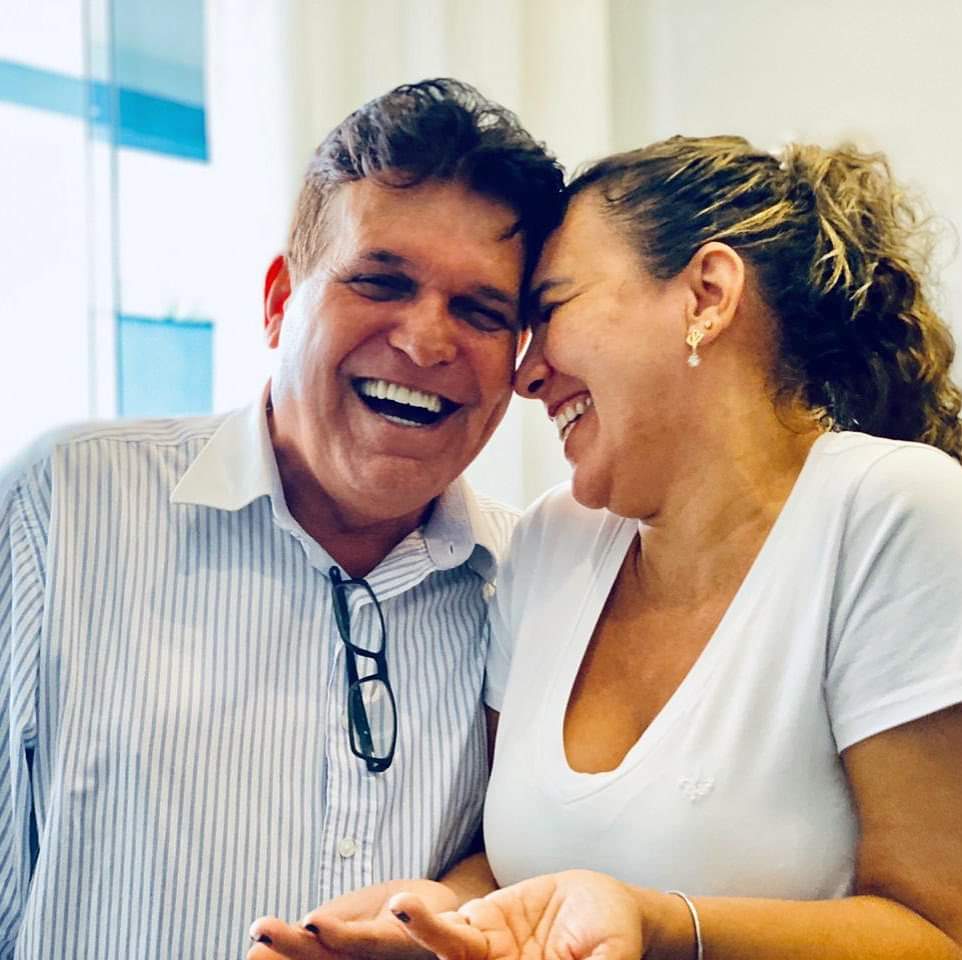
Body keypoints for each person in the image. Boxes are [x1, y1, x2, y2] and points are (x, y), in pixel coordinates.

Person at [249, 136, 962, 960]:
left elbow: (939, 930)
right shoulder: (550, 542)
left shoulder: (892, 510)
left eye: (550, 309)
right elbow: (511, 870)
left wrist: (660, 926)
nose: (525, 373)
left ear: (706, 296)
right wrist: (433, 918)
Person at [0, 78, 564, 960]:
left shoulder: (532, 581)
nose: (427, 341)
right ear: (277, 302)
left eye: (481, 310)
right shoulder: (64, 505)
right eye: (380, 281)